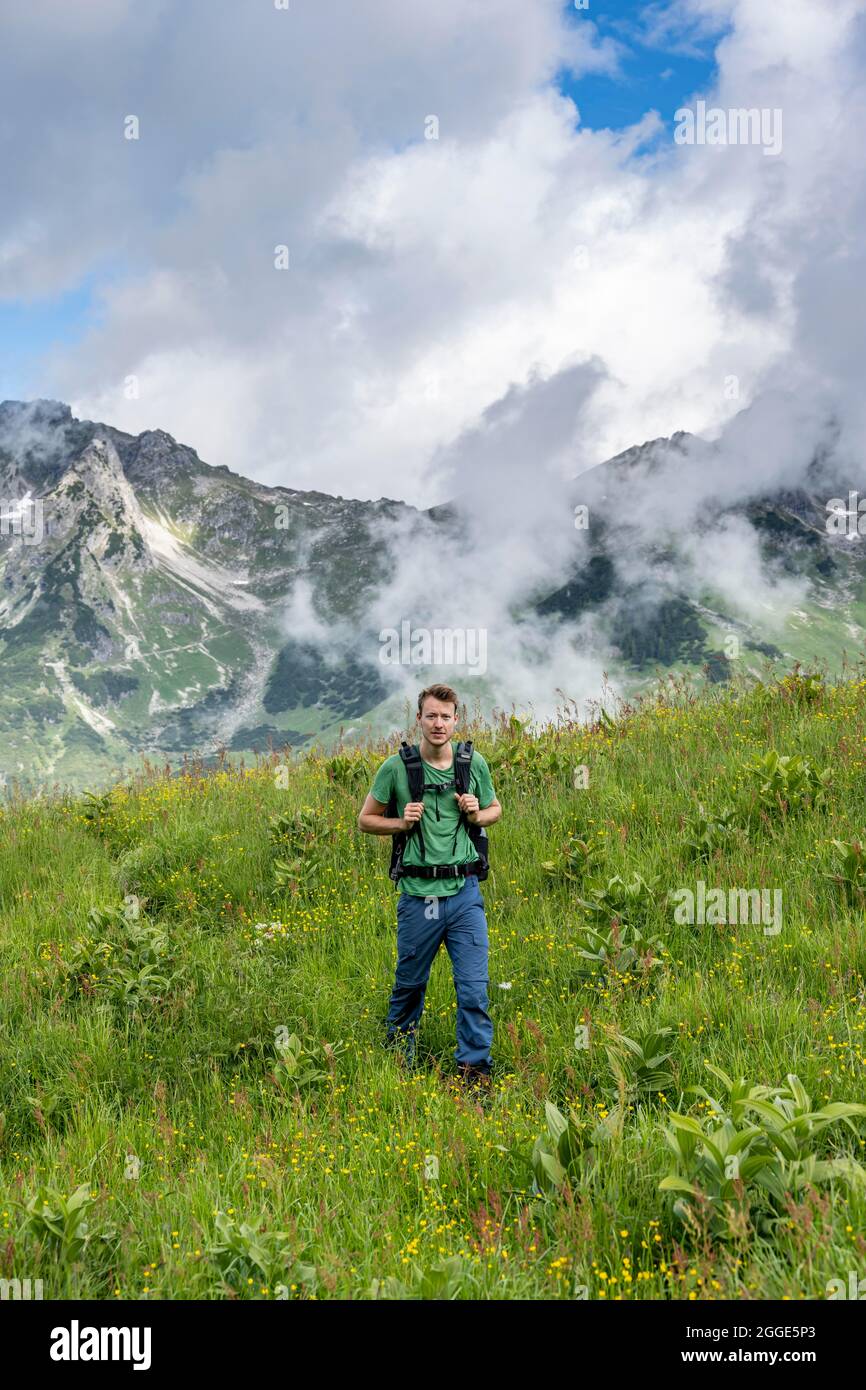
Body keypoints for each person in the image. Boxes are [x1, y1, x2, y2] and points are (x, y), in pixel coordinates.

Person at [358, 683, 502, 1090]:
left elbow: (495, 810)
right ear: (418, 719)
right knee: (410, 985)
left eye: (446, 716)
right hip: (419, 897)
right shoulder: (395, 768)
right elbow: (366, 819)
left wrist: (477, 815)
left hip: (464, 893)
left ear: (457, 720)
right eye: (431, 715)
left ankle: (474, 1075)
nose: (438, 723)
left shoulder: (474, 764)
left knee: (473, 988)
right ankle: (399, 1064)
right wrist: (400, 823)